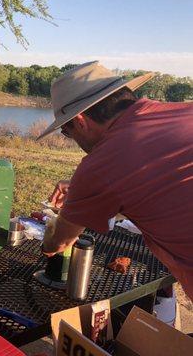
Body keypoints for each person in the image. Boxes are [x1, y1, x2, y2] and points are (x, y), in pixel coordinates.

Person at [39, 61, 193, 300]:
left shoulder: (100, 166)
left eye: (67, 132)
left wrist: (54, 227)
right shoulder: (184, 112)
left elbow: (57, 244)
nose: (73, 140)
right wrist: (90, 194)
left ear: (80, 121)